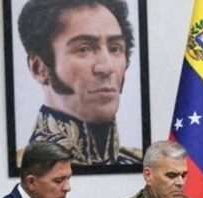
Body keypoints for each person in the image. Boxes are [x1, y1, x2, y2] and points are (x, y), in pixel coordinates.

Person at [17, 0, 141, 166]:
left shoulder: (140, 162)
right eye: (84, 49)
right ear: (39, 68)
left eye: (115, 48)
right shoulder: (23, 167)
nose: (107, 67)